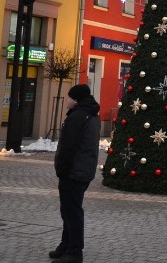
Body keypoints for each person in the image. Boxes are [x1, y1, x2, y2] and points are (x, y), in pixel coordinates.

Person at [49, 84, 100, 263]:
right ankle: (66, 245)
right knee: (69, 209)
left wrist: (62, 169)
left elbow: (68, 147)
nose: (67, 100)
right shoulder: (90, 113)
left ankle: (74, 252)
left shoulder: (78, 116)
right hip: (82, 170)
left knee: (72, 211)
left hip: (74, 172)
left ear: (76, 100)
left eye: (69, 97)